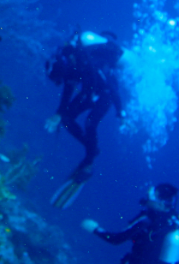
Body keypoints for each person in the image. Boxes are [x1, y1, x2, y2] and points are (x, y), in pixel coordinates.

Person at [45, 30, 125, 208]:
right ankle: (92, 150)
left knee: (90, 124)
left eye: (60, 78)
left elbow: (112, 88)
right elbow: (68, 89)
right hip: (89, 93)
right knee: (66, 119)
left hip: (104, 95)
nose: (62, 81)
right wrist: (59, 113)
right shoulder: (71, 66)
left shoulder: (88, 62)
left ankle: (89, 161)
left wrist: (121, 113)